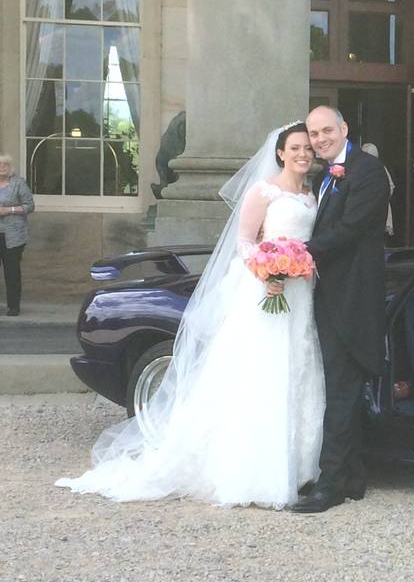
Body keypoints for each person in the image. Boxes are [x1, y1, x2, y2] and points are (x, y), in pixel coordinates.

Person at [56, 123, 326, 509]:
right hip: (265, 289)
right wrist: (267, 271)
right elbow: (245, 242)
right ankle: (252, 471)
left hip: (300, 293)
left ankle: (298, 468)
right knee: (261, 373)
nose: (303, 154)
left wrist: (295, 268)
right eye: (295, 147)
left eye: (308, 149)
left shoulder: (310, 194)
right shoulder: (264, 190)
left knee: (298, 370)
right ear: (281, 152)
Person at [291, 106, 390, 513]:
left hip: (353, 300)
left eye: (326, 130)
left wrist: (297, 251)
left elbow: (350, 229)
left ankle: (329, 485)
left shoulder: (367, 171)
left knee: (342, 390)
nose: (319, 139)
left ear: (344, 129)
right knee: (340, 387)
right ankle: (353, 476)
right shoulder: (323, 177)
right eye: (314, 134)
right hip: (327, 296)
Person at [0, 153, 35, 317]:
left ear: (10, 168)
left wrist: (9, 210)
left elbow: (30, 206)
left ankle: (13, 306)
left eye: (5, 165)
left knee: (12, 271)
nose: (2, 168)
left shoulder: (18, 183)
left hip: (13, 235)